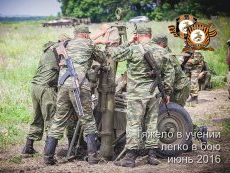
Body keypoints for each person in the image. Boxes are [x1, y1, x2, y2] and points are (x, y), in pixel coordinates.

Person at [109, 25, 174, 167]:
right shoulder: (161, 50)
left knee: (134, 124)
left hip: (136, 95)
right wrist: (167, 92)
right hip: (153, 94)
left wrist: (129, 42)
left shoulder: (133, 49)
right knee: (151, 124)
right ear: (150, 35)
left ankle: (130, 158)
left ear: (137, 35)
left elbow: (114, 54)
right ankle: (152, 156)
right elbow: (169, 72)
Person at [43, 25, 105, 165]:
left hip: (63, 85)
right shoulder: (89, 43)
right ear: (84, 35)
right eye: (87, 34)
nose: (89, 36)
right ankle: (93, 158)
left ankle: (48, 157)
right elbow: (102, 58)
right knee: (88, 120)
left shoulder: (66, 44)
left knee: (59, 120)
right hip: (79, 86)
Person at [22, 35, 70, 155]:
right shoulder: (59, 49)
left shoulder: (48, 51)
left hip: (35, 87)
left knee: (37, 117)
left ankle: (28, 147)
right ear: (64, 42)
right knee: (51, 118)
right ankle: (48, 152)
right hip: (46, 89)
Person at [152, 34, 190, 107]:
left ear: (161, 44)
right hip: (176, 87)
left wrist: (167, 93)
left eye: (155, 44)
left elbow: (170, 74)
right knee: (169, 110)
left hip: (180, 88)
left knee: (175, 112)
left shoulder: (167, 55)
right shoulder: (164, 52)